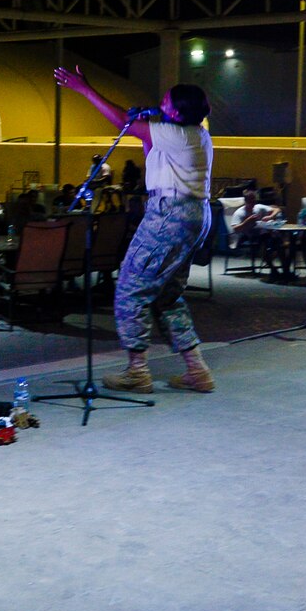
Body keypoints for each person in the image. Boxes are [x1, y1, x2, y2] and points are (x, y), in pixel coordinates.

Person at [53, 65, 216, 393]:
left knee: (130, 288)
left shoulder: (180, 133)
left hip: (169, 214)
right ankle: (196, 369)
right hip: (192, 214)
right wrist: (144, 126)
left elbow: (120, 123)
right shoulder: (193, 134)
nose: (160, 102)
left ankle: (137, 371)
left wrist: (85, 89)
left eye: (166, 101)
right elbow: (151, 153)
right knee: (167, 295)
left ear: (177, 111)